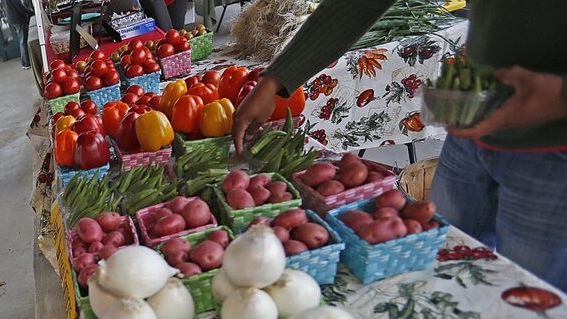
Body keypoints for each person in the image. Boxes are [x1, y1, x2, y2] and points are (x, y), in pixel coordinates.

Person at [233, 0, 567, 291]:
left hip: (552, 151)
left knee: (531, 299)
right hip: (475, 128)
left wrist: (557, 97)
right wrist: (276, 79)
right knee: (435, 265)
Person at [3, 0, 34, 70]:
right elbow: (19, 8)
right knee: (23, 41)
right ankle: (26, 63)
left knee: (22, 40)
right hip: (18, 19)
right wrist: (31, 12)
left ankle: (25, 62)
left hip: (13, 19)